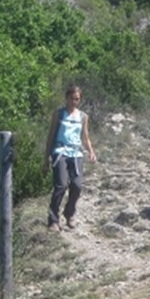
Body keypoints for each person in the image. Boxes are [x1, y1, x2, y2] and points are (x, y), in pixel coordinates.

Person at [43, 85, 96, 231]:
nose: (74, 102)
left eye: (77, 99)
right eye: (72, 98)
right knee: (60, 184)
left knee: (77, 185)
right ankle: (53, 219)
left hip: (76, 153)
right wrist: (46, 158)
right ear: (67, 98)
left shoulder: (83, 117)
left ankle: (69, 213)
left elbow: (85, 136)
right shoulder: (59, 114)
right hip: (60, 152)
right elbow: (51, 135)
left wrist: (91, 151)